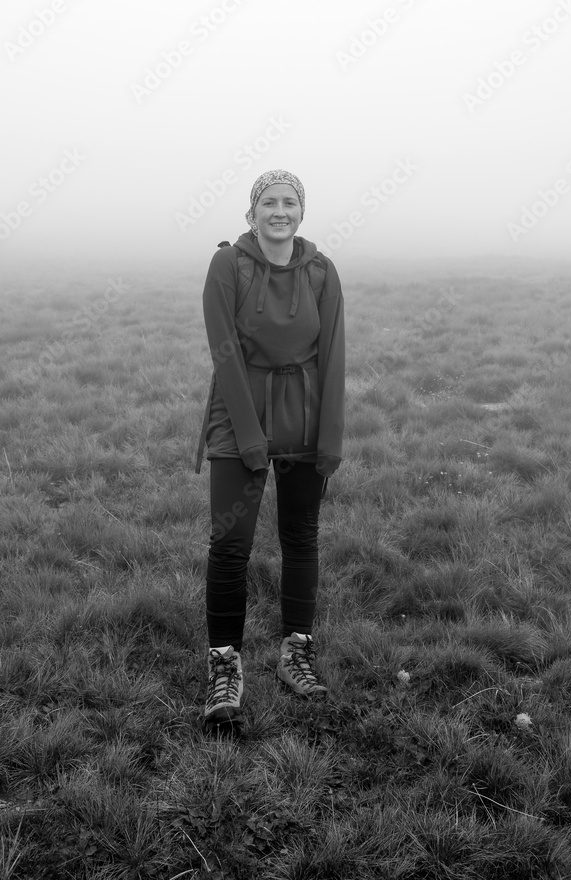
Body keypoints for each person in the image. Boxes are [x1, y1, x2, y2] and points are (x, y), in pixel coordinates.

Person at [194, 169, 345, 726]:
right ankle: (224, 665)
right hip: (241, 409)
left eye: (289, 203)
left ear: (301, 213)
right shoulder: (227, 265)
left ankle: (295, 651)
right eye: (269, 203)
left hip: (302, 411)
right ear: (252, 212)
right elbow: (224, 352)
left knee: (301, 536)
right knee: (230, 542)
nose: (279, 211)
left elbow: (332, 355)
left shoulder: (322, 271)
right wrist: (250, 436)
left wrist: (328, 438)